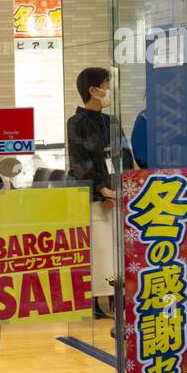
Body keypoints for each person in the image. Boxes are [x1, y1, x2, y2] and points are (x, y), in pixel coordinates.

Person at [66, 67, 119, 319]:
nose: (109, 89)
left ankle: (115, 298)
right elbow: (80, 162)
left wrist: (118, 189)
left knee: (115, 249)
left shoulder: (111, 121)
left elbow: (122, 156)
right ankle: (97, 302)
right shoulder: (76, 123)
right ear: (93, 90)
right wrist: (102, 190)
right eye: (107, 84)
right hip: (93, 196)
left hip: (115, 196)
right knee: (99, 249)